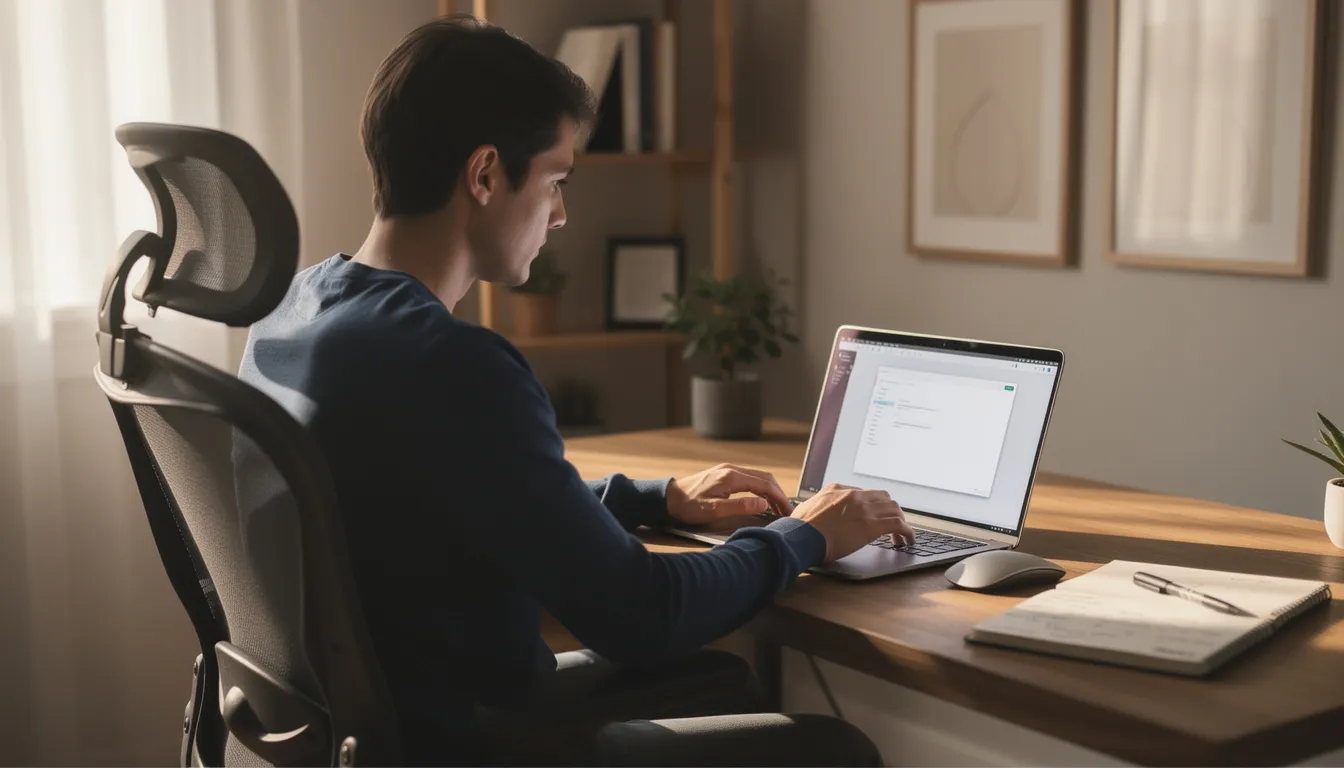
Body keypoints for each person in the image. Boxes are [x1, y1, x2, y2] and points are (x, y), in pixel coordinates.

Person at [239, 14, 913, 766]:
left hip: (358, 728)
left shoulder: (293, 313)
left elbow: (448, 504)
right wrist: (807, 535)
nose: (561, 214)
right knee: (834, 750)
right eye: (556, 180)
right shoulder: (454, 364)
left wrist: (656, 498)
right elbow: (643, 614)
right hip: (463, 738)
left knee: (723, 680)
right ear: (486, 174)